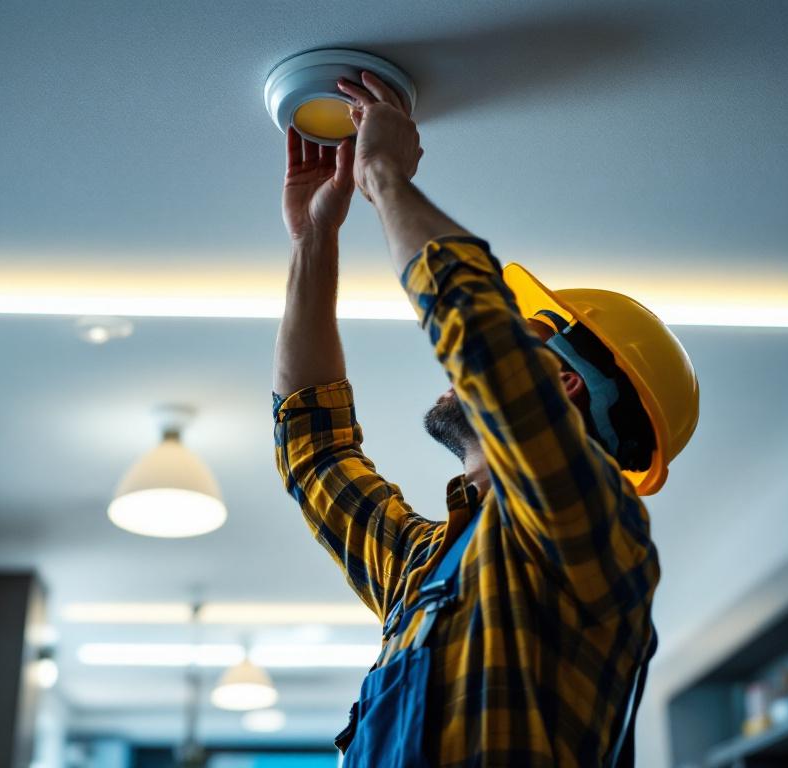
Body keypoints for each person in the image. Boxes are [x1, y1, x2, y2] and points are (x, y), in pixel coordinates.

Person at [272, 71, 700, 767]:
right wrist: (313, 242)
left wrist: (384, 176)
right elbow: (313, 452)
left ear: (561, 383)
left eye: (527, 333)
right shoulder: (424, 567)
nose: (468, 362)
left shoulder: (593, 533)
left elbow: (483, 340)